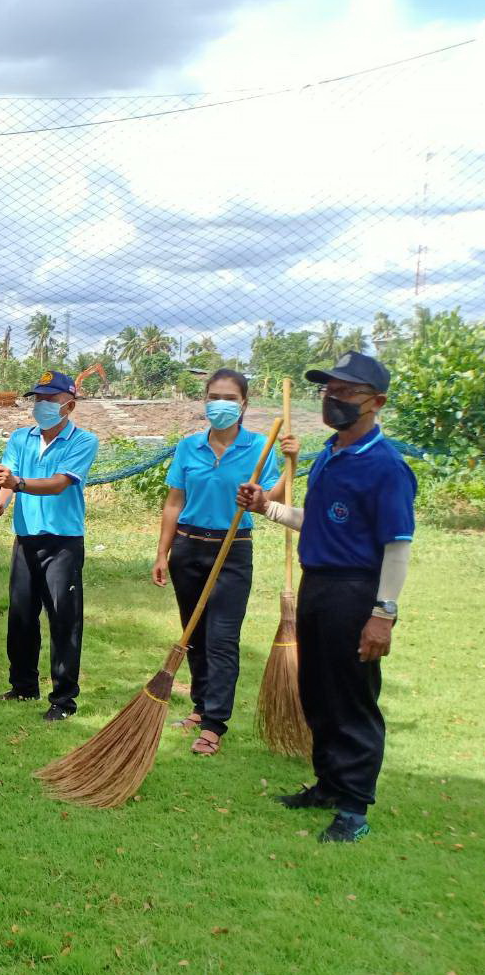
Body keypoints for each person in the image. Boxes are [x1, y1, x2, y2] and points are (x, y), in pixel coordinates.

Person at [238, 352, 416, 843]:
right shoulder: (330, 454)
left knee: (351, 697)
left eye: (346, 391)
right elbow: (315, 521)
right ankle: (328, 785)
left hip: (355, 591)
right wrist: (266, 507)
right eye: (328, 390)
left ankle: (354, 807)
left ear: (376, 402)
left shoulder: (386, 466)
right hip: (316, 584)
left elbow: (397, 547)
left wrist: (383, 614)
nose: (332, 399)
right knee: (317, 690)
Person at [152, 369, 280, 755]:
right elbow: (174, 502)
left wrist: (282, 471)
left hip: (232, 549)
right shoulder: (188, 447)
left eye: (228, 398)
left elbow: (272, 496)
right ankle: (200, 707)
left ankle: (214, 725)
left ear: (244, 404)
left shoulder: (260, 447)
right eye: (213, 397)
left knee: (223, 638)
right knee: (194, 634)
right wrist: (162, 553)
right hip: (188, 548)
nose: (219, 404)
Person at [0, 370, 99, 722]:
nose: (41, 405)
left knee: (63, 620)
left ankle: (63, 700)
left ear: (69, 405)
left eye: (50, 400)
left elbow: (59, 483)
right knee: (20, 616)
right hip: (25, 539)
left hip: (62, 543)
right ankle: (23, 686)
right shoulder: (21, 437)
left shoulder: (83, 441)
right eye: (38, 399)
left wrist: (17, 484)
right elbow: (7, 480)